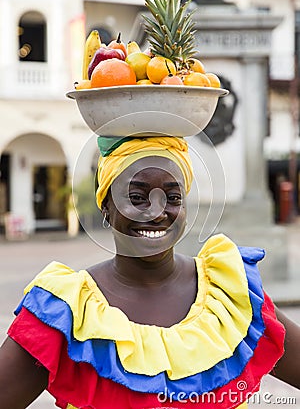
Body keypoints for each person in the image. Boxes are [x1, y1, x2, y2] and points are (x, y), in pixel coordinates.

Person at [0, 135, 299, 409]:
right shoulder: (66, 312)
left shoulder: (229, 297)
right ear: (106, 205)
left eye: (173, 197)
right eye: (137, 197)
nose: (157, 213)